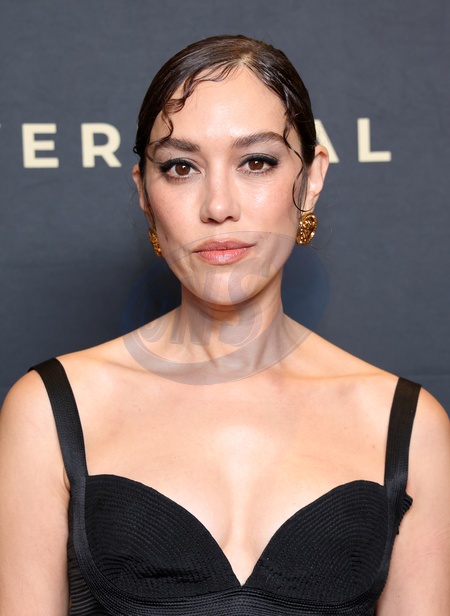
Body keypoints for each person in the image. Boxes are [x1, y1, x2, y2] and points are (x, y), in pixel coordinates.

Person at [0, 35, 449, 616]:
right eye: (180, 167)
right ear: (144, 192)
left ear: (311, 178)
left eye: (256, 162)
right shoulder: (49, 411)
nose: (218, 206)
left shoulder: (409, 427)